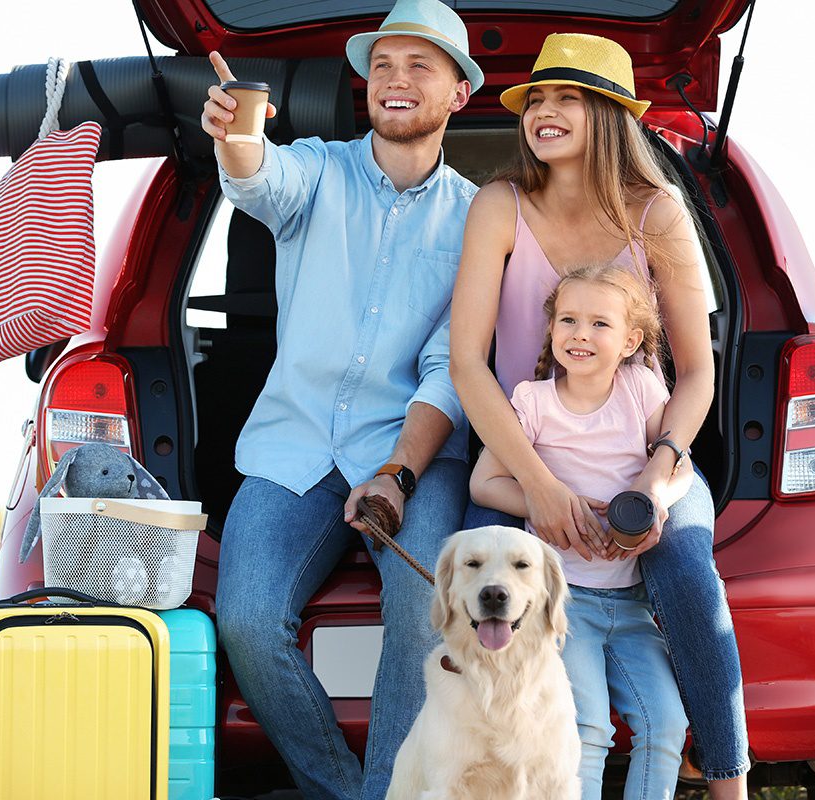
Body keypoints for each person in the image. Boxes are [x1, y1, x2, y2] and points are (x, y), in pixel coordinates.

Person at [450, 33, 751, 797]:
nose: (544, 111)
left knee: (684, 561)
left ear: (612, 115)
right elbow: (467, 367)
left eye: (568, 98)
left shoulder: (659, 213)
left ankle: (727, 780)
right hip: (532, 450)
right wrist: (541, 489)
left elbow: (697, 374)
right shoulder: (498, 205)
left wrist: (656, 477)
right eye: (537, 99)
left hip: (645, 454)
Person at [199, 1, 484, 797]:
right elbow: (261, 176)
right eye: (382, 66)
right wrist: (238, 136)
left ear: (459, 92)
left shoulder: (476, 219)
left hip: (413, 455)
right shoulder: (317, 168)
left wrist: (397, 473)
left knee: (421, 612)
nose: (394, 81)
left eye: (419, 66)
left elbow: (450, 367)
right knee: (247, 621)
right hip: (293, 450)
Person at [470, 263, 694, 798]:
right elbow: (484, 482)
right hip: (562, 605)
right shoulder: (533, 403)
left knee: (666, 726)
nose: (581, 334)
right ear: (550, 331)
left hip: (633, 601)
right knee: (586, 729)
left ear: (630, 341)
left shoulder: (639, 389)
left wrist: (655, 499)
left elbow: (679, 466)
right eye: (568, 320)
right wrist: (553, 505)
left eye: (600, 324)